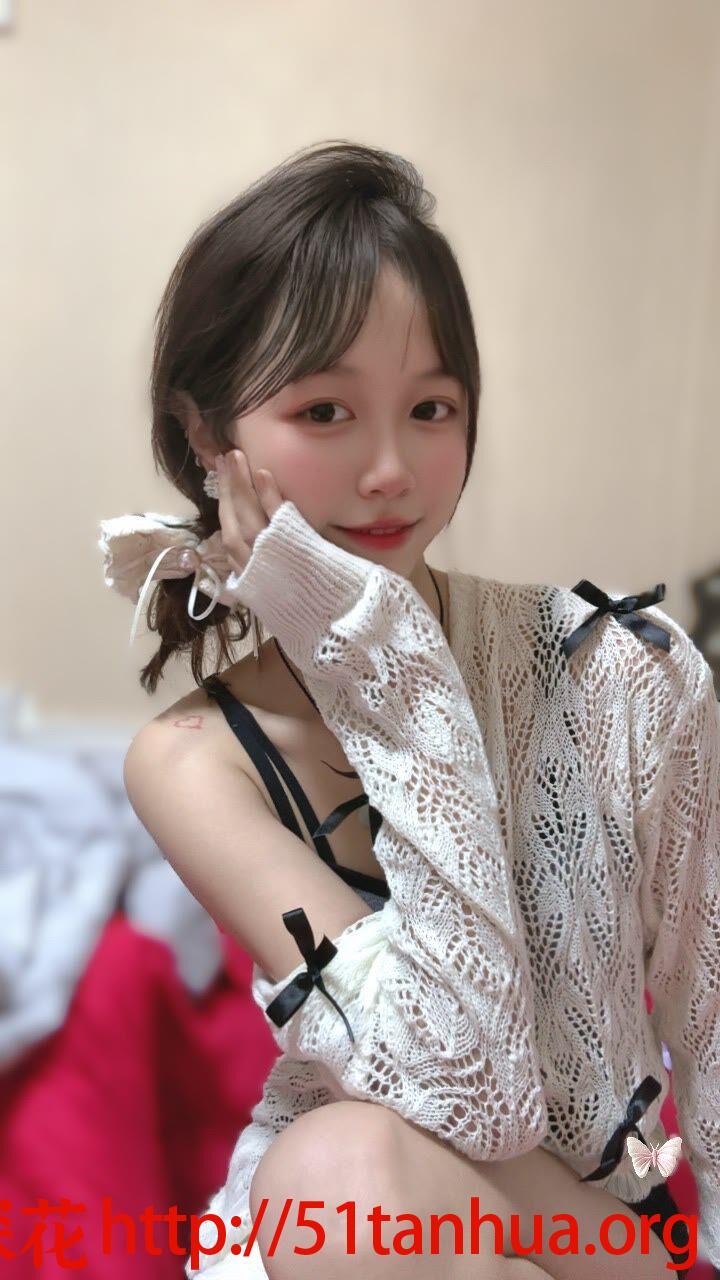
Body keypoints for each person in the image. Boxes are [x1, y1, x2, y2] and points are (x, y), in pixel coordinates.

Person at [112, 141, 715, 1279]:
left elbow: (710, 1004)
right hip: (357, 1224)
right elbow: (465, 1086)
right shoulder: (196, 761)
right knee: (339, 1177)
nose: (391, 468)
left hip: (592, 1237)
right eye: (325, 410)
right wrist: (383, 668)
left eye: (431, 408)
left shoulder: (619, 672)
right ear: (206, 436)